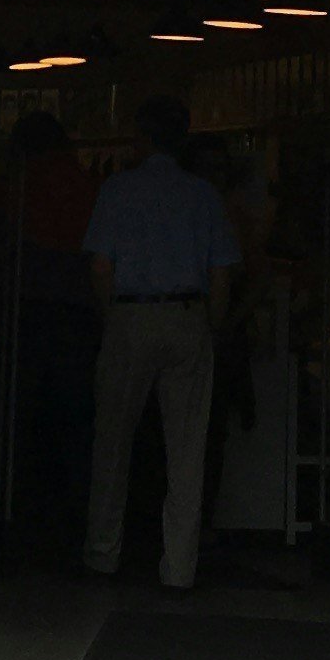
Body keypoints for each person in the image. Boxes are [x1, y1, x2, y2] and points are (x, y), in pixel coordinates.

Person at [80, 94, 238, 592]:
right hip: (187, 315)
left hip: (131, 314)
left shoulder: (117, 191)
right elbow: (221, 273)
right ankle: (180, 567)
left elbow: (100, 264)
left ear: (142, 138)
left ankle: (103, 555)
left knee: (113, 441)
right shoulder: (204, 196)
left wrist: (113, 315)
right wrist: (210, 324)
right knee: (187, 449)